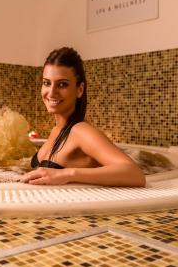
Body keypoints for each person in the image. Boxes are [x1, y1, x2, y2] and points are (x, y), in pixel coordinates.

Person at [20, 47, 145, 187]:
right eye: (47, 83)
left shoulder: (81, 131)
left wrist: (66, 174)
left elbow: (135, 174)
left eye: (62, 84)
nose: (51, 92)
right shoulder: (56, 130)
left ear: (80, 90)